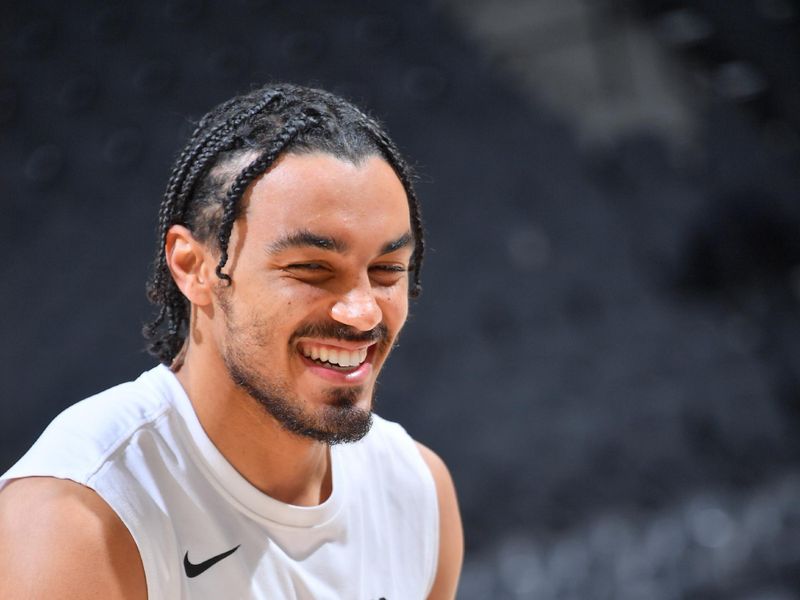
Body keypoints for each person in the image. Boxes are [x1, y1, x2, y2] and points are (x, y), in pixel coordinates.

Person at [0, 84, 463, 599]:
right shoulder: (78, 520)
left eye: (386, 270)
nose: (361, 312)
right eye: (311, 269)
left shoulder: (418, 493)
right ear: (192, 267)